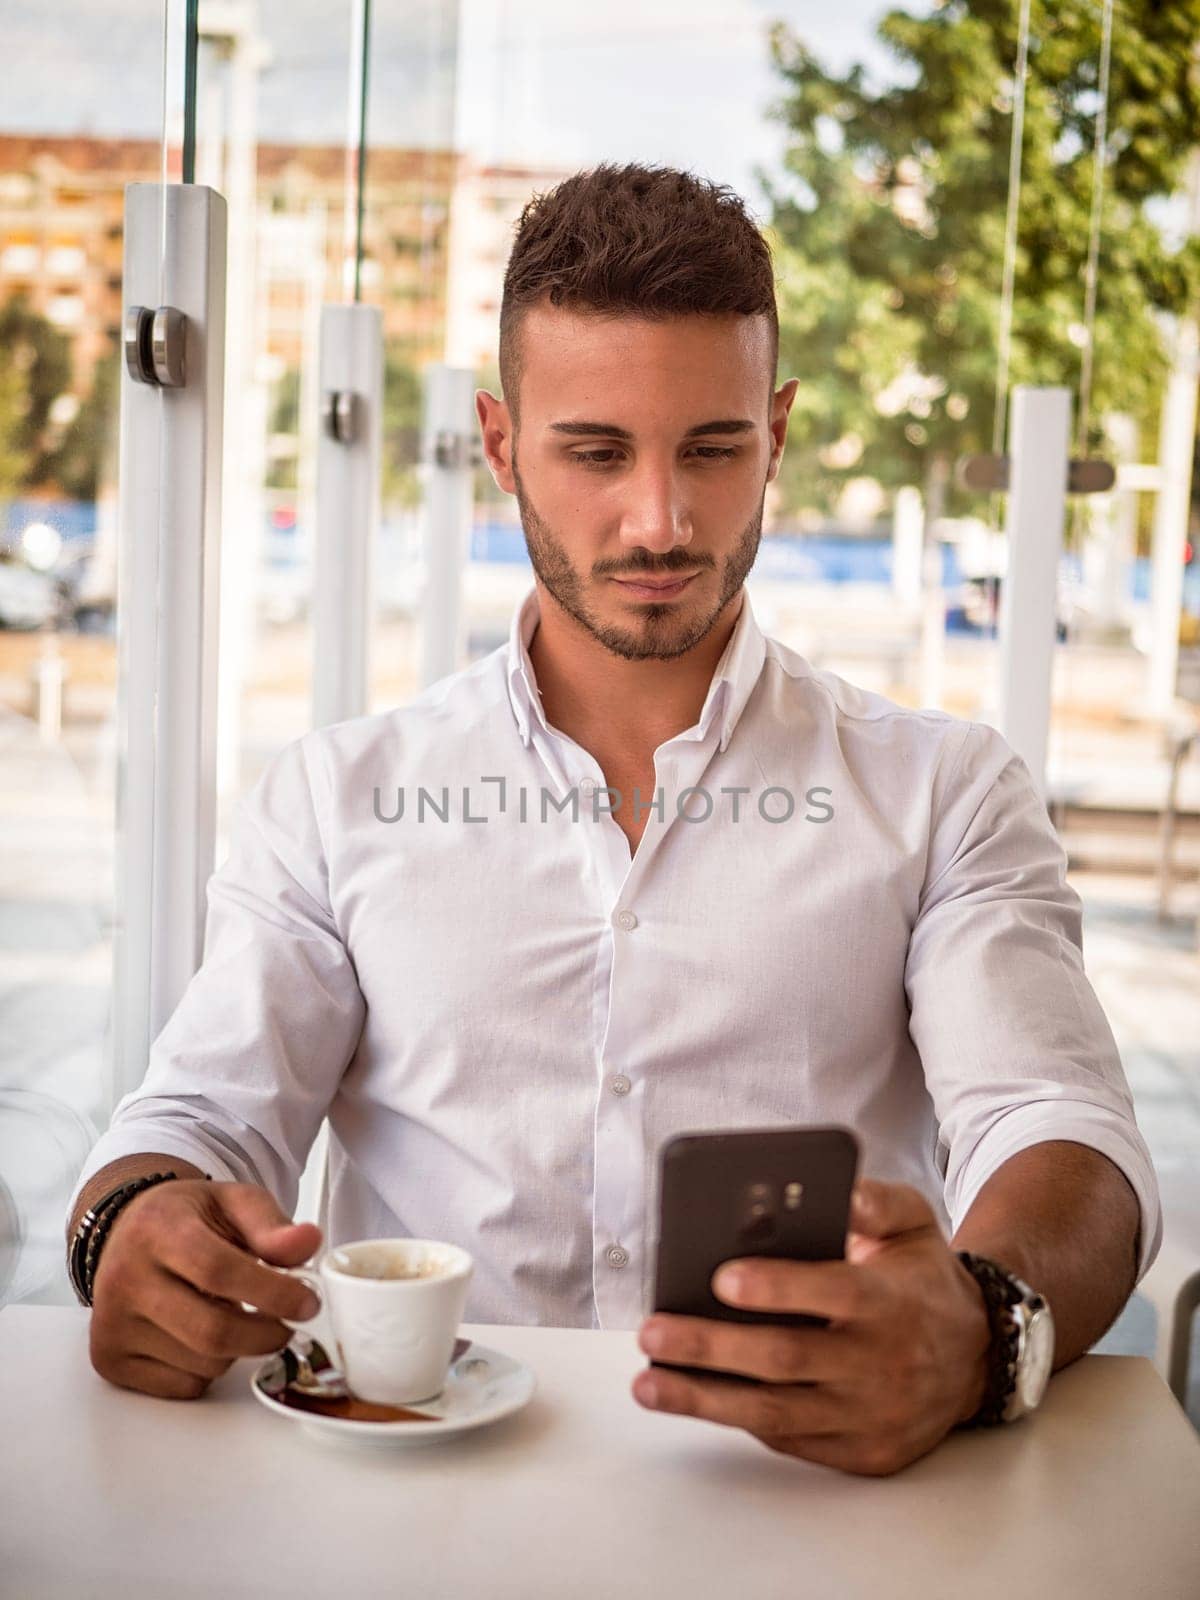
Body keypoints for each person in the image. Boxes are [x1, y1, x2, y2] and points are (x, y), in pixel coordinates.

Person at [65, 162, 1160, 1477]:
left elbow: (1066, 1135)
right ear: (497, 442)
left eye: (714, 447)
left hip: (814, 1507)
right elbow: (194, 1117)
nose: (661, 519)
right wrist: (128, 1230)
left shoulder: (946, 791)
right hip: (418, 1499)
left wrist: (986, 1331)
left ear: (781, 432)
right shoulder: (336, 796)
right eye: (594, 451)